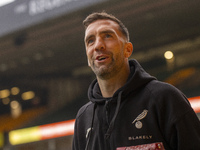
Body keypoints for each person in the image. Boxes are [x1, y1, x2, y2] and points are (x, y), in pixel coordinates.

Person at [72, 12, 200, 150]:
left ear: (127, 50)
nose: (98, 45)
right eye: (90, 40)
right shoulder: (83, 118)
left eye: (108, 36)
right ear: (88, 58)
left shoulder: (165, 99)